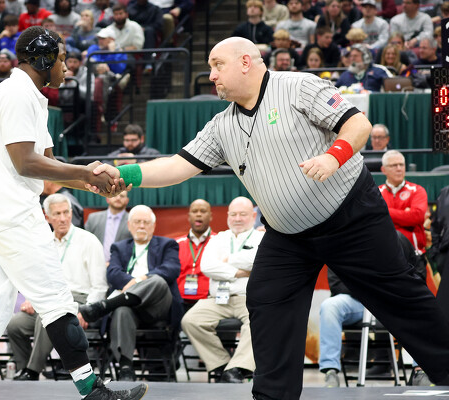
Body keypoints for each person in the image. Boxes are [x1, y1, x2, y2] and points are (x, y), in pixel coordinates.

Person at [90, 36, 449, 400]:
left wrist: (332, 157)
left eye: (217, 65)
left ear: (246, 62)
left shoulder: (298, 87)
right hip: (289, 237)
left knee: (402, 297)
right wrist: (124, 175)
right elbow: (176, 167)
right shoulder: (221, 126)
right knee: (265, 299)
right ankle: (273, 397)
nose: (211, 75)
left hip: (352, 219)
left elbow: (358, 125)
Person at [0, 27, 145, 400]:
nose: (67, 66)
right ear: (43, 59)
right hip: (13, 214)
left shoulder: (30, 95)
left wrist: (95, 184)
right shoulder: (18, 94)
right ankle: (92, 390)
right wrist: (86, 172)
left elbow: (48, 170)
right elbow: (26, 163)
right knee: (57, 301)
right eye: (61, 59)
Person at [7, 193, 107, 380]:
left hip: (79, 300)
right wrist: (32, 299)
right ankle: (24, 369)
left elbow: (99, 286)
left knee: (47, 317)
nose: (63, 218)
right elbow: (36, 278)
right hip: (48, 299)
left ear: (72, 213)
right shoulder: (42, 243)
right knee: (15, 324)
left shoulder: (88, 240)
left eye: (66, 212)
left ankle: (32, 371)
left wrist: (87, 311)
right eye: (57, 214)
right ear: (47, 217)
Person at [79, 205, 183, 382]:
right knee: (121, 311)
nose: (141, 226)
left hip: (158, 305)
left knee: (157, 280)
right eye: (137, 222)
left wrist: (140, 280)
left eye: (146, 222)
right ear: (129, 225)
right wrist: (133, 282)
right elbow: (113, 272)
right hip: (130, 307)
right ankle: (126, 367)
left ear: (153, 226)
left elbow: (171, 269)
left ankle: (105, 306)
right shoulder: (119, 247)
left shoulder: (167, 245)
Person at [318, 231, 420, 387]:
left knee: (417, 307)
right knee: (329, 306)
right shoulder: (340, 241)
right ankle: (330, 371)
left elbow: (417, 275)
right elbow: (336, 284)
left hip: (390, 302)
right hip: (356, 302)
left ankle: (420, 371)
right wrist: (367, 289)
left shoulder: (395, 238)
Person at [182, 196, 263, 383]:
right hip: (217, 299)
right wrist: (238, 272)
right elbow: (207, 266)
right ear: (227, 216)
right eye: (233, 214)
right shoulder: (218, 238)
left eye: (242, 214)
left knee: (260, 319)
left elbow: (257, 261)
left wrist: (228, 259)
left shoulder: (261, 238)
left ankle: (239, 368)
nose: (237, 218)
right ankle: (223, 366)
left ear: (253, 216)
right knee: (190, 320)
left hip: (248, 298)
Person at [379, 150, 428, 255]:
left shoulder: (417, 190)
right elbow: (372, 220)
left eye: (401, 165)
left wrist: (384, 211)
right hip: (384, 253)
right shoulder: (376, 193)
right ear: (383, 170)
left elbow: (416, 217)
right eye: (393, 165)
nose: (399, 169)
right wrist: (405, 215)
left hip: (414, 254)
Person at [175, 199, 214, 311]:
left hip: (208, 302)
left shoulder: (219, 241)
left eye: (203, 211)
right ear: (189, 216)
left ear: (210, 216)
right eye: (195, 211)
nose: (198, 214)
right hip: (179, 302)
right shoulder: (175, 244)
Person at [85, 190, 133, 263]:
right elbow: (84, 242)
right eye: (115, 195)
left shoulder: (133, 221)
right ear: (107, 199)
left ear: (127, 201)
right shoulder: (93, 218)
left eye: (122, 196)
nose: (118, 198)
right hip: (94, 263)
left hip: (121, 266)